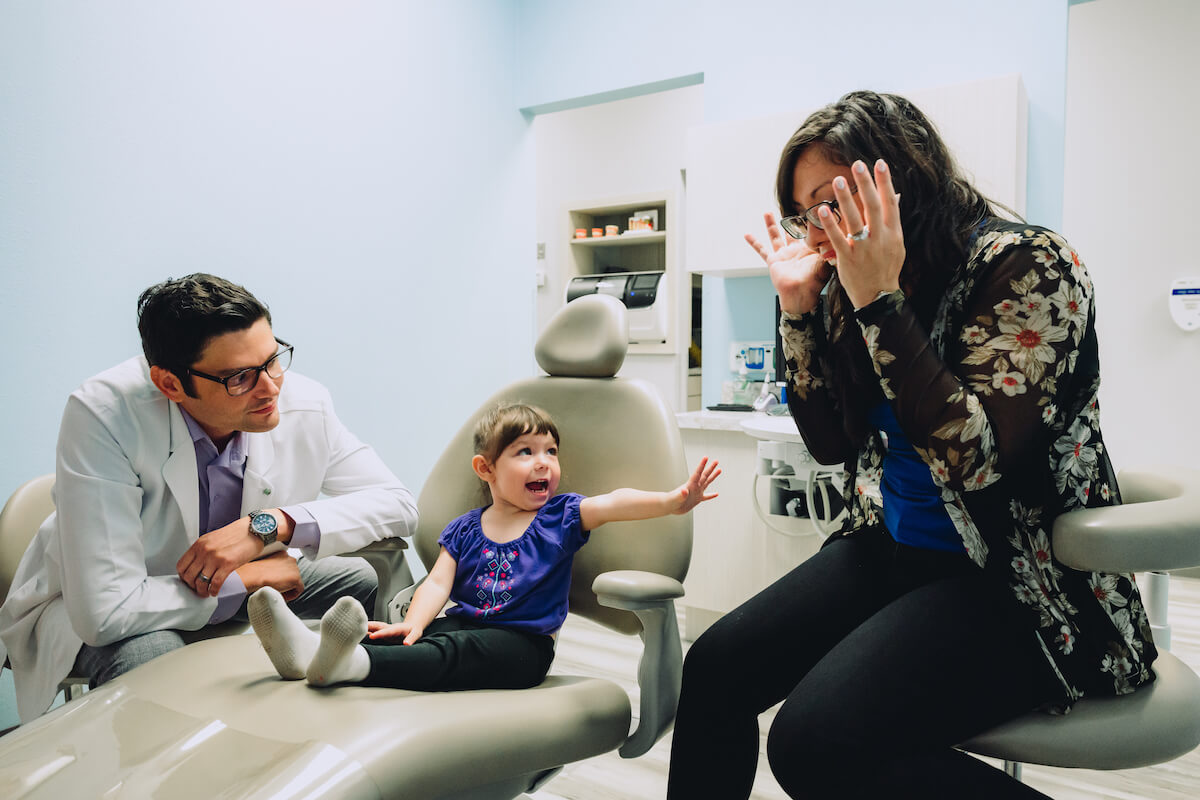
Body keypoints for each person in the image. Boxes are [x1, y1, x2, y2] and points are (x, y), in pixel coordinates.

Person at [666, 91, 1158, 799]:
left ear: (902, 176)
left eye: (835, 201)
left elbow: (975, 462)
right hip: (890, 549)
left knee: (812, 743)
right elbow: (832, 443)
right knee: (713, 669)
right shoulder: (847, 282)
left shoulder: (1028, 266)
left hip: (1020, 587)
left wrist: (879, 302)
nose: (822, 230)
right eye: (808, 214)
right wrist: (801, 310)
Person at [0, 273, 418, 722]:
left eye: (273, 359)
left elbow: (398, 505)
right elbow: (107, 612)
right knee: (157, 657)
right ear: (170, 385)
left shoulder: (301, 400)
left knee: (375, 590)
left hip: (244, 576)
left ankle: (349, 739)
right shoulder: (103, 416)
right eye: (240, 376)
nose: (271, 388)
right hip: (109, 606)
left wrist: (273, 525)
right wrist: (248, 580)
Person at [248, 402, 719, 691]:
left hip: (523, 647)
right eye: (525, 452)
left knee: (451, 656)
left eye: (550, 452)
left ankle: (347, 665)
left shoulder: (561, 516)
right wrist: (411, 625)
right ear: (485, 468)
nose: (544, 464)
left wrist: (674, 501)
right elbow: (437, 583)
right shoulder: (465, 529)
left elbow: (615, 502)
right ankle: (311, 652)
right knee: (414, 639)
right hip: (461, 623)